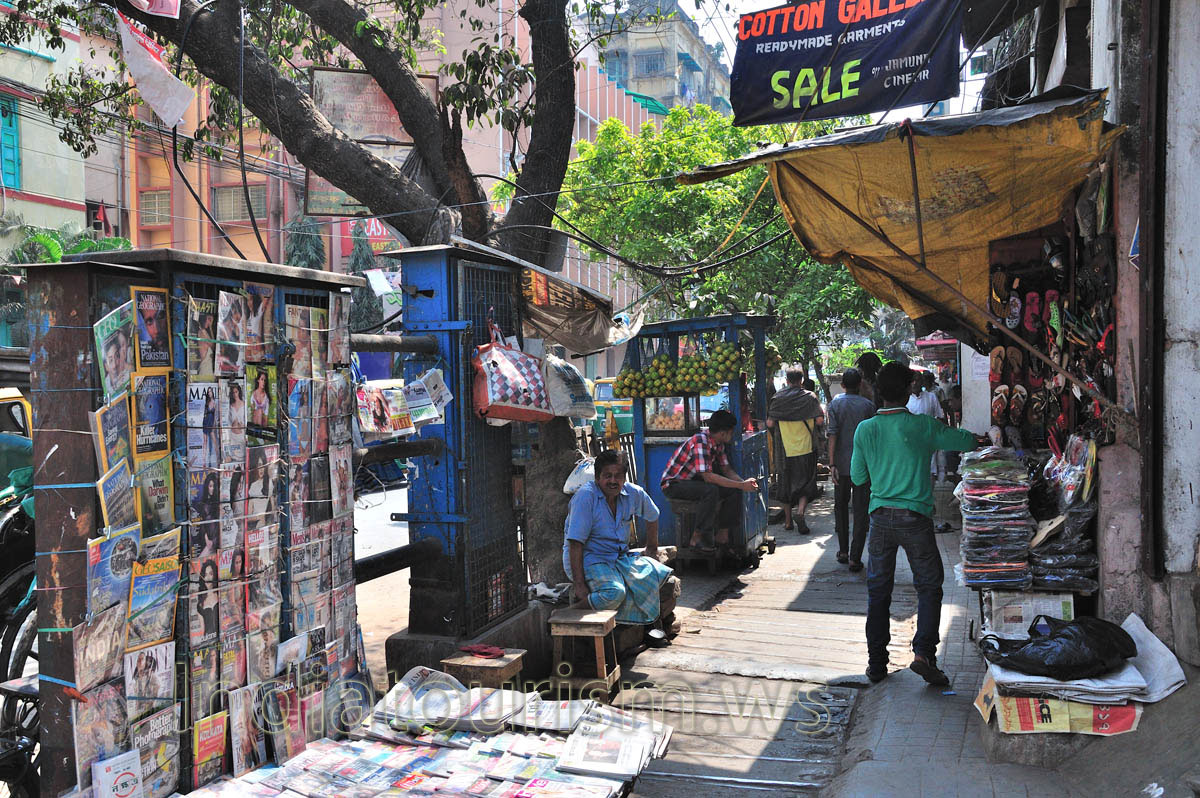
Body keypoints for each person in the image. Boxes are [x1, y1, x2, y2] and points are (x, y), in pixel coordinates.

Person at [850, 362, 978, 686]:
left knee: (878, 591)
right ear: (909, 389)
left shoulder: (865, 430)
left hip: (879, 518)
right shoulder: (921, 426)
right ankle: (923, 654)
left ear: (879, 390)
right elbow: (965, 441)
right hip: (915, 518)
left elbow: (857, 477)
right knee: (930, 586)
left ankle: (876, 664)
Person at [563, 449, 672, 624]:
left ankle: (643, 629)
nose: (613, 481)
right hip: (589, 559)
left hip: (618, 558)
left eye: (618, 476)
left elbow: (653, 515)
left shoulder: (632, 493)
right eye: (607, 476)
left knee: (660, 574)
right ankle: (571, 612)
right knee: (615, 593)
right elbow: (575, 543)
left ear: (624, 478)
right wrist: (579, 584)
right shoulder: (586, 496)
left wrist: (652, 549)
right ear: (598, 478)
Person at [660, 409, 758, 552]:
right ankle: (697, 537)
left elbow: (727, 470)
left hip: (693, 483)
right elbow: (708, 476)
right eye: (731, 432)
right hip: (674, 485)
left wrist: (743, 484)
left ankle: (722, 536)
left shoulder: (718, 443)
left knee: (734, 490)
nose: (732, 435)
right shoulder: (701, 440)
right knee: (711, 490)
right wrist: (741, 485)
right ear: (723, 433)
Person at [826, 368, 875, 570]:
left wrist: (832, 464)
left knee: (841, 507)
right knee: (861, 510)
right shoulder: (869, 406)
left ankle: (843, 550)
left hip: (842, 464)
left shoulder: (835, 404)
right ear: (860, 384)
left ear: (843, 385)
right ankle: (855, 556)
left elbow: (832, 435)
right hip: (863, 466)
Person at [765, 370, 824, 534]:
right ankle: (800, 512)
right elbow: (819, 419)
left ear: (787, 380)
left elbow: (770, 423)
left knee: (785, 485)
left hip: (785, 450)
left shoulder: (777, 399)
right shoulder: (810, 397)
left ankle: (789, 522)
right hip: (806, 449)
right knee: (806, 484)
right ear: (802, 380)